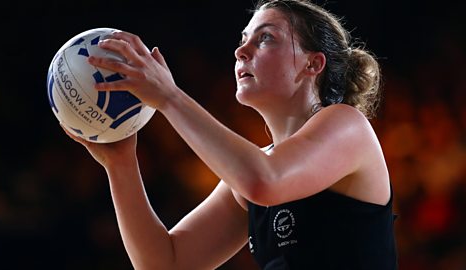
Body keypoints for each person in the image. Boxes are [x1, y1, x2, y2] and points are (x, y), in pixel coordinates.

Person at [63, 0, 398, 269]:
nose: (241, 51)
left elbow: (264, 181)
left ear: (313, 65)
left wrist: (169, 96)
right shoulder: (254, 170)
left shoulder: (347, 124)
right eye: (243, 40)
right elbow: (165, 263)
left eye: (265, 38)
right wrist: (121, 164)